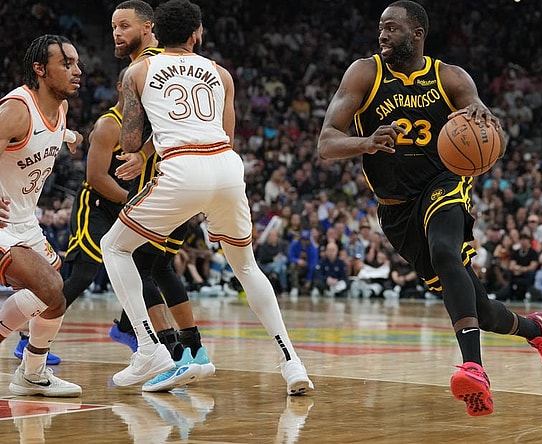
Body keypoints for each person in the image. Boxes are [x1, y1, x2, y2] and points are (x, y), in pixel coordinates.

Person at [317, 0, 542, 416]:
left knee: (444, 251)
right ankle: (536, 330)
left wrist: (485, 120)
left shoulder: (450, 77)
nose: (382, 34)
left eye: (392, 28)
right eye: (381, 27)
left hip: (444, 183)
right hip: (397, 209)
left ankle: (474, 368)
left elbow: (489, 131)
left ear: (417, 34)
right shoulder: (364, 73)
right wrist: (366, 142)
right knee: (481, 310)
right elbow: (326, 142)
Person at [100, 0, 313, 395]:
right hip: (226, 167)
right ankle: (292, 364)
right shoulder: (221, 73)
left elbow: (128, 140)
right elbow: (225, 135)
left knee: (114, 247)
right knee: (246, 267)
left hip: (182, 170)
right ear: (196, 33)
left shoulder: (137, 71)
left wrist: (142, 148)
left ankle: (149, 349)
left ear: (155, 33)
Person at [0, 34, 84, 397]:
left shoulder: (59, 108)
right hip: (2, 225)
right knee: (49, 289)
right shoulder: (16, 109)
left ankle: (32, 374)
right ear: (39, 69)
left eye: (77, 63)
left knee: (54, 294)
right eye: (66, 64)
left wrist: (70, 136)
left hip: (25, 222)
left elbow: (46, 133)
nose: (77, 70)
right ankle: (31, 373)